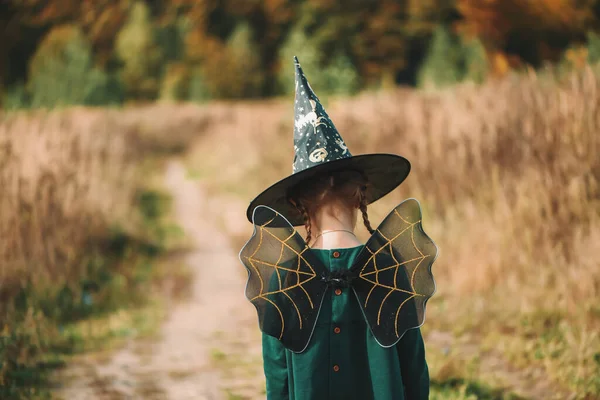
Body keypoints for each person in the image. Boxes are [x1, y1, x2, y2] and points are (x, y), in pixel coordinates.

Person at [239, 57, 436, 400]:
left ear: (299, 207)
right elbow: (413, 368)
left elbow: (278, 377)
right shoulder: (388, 266)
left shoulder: (284, 275)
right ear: (361, 197)